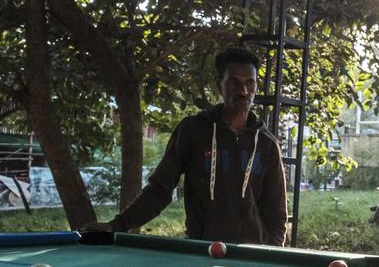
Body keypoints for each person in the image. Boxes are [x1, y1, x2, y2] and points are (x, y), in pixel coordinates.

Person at [87, 47, 288, 245]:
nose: (243, 91)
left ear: (256, 86)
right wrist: (117, 225)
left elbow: (277, 212)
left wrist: (272, 254)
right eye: (234, 82)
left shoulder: (266, 144)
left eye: (249, 83)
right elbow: (160, 189)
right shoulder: (193, 131)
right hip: (201, 252)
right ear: (220, 84)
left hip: (252, 257)